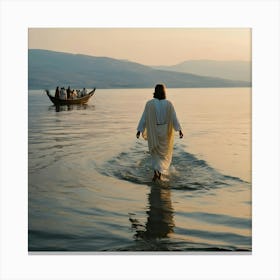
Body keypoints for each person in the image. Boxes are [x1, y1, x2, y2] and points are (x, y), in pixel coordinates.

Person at [136, 84, 183, 181]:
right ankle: (160, 174)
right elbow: (174, 118)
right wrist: (179, 130)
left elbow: (144, 118)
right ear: (164, 92)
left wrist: (139, 130)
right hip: (165, 131)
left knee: (154, 152)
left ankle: (155, 173)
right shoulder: (169, 104)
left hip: (153, 130)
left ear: (155, 91)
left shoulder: (149, 104)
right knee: (163, 154)